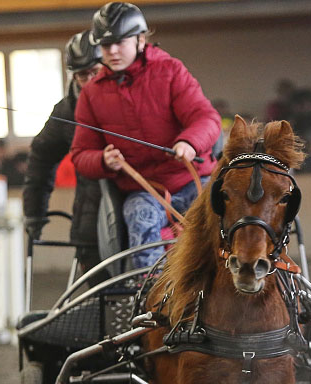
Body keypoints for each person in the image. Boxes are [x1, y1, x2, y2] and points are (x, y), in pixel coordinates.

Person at [70, 2, 221, 269]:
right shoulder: (91, 94)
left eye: (120, 43)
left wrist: (189, 142)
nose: (112, 51)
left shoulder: (171, 71)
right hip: (143, 191)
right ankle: (150, 295)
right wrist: (103, 160)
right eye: (106, 46)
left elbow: (206, 118)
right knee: (139, 218)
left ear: (140, 39)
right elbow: (81, 154)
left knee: (227, 216)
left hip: (191, 181)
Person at [23, 29, 106, 278]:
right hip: (90, 222)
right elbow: (41, 157)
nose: (90, 80)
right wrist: (34, 211)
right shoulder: (66, 112)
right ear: (73, 76)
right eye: (83, 75)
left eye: (96, 72)